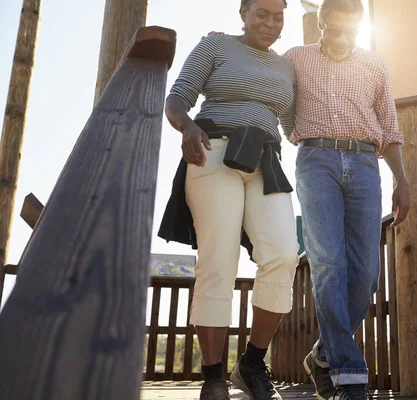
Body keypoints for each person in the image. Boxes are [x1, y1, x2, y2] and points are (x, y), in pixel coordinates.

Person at [157, 1, 299, 399]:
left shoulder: (286, 67)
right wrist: (186, 127)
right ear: (243, 12)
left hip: (265, 161)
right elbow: (176, 99)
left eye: (278, 16)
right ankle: (213, 375)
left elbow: (294, 125)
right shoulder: (215, 47)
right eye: (261, 13)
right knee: (218, 260)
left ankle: (252, 363)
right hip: (212, 151)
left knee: (283, 253)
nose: (270, 23)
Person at [281, 0, 411, 399]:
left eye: (348, 30)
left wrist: (401, 179)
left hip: (365, 164)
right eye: (331, 29)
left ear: (359, 27)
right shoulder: (296, 58)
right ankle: (348, 372)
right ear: (319, 24)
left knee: (366, 271)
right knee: (327, 263)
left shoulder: (375, 64)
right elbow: (281, 105)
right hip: (316, 160)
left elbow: (388, 127)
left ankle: (324, 353)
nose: (339, 38)